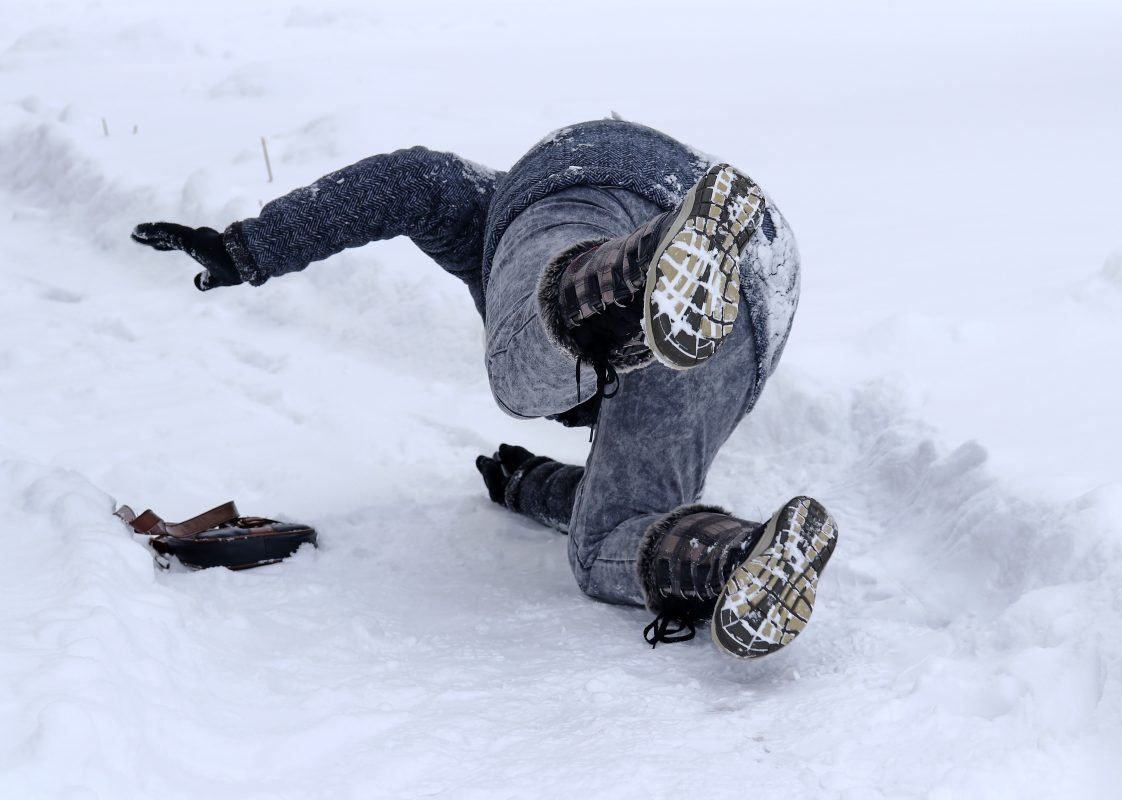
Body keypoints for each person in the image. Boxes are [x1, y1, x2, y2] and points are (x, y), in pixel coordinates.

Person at [132, 118, 838, 659]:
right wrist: (528, 485)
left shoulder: (488, 208)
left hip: (585, 177)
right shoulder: (672, 335)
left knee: (524, 375)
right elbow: (596, 492)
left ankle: (640, 266)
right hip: (760, 290)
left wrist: (250, 247)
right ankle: (743, 561)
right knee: (604, 548)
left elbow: (410, 181)